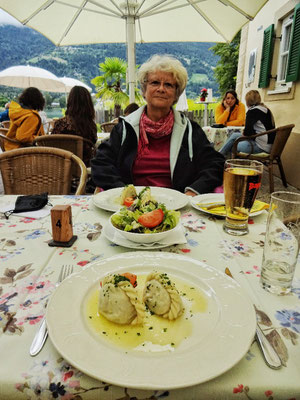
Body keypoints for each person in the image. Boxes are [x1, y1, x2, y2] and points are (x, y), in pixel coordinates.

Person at [91, 54, 224, 196]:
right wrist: (125, 192)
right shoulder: (125, 129)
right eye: (155, 82)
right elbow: (101, 164)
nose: (161, 89)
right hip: (132, 206)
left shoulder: (190, 130)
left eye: (168, 85)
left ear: (176, 95)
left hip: (178, 204)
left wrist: (193, 190)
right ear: (144, 90)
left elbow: (215, 164)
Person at [219, 90, 275, 156]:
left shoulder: (252, 111)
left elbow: (248, 133)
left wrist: (244, 134)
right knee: (234, 135)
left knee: (233, 146)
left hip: (261, 147)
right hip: (269, 145)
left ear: (247, 101)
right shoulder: (265, 109)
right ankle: (219, 155)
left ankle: (223, 159)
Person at [52, 86, 97, 166]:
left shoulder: (60, 123)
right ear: (88, 104)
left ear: (70, 102)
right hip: (83, 167)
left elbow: (51, 144)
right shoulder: (91, 126)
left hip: (59, 168)